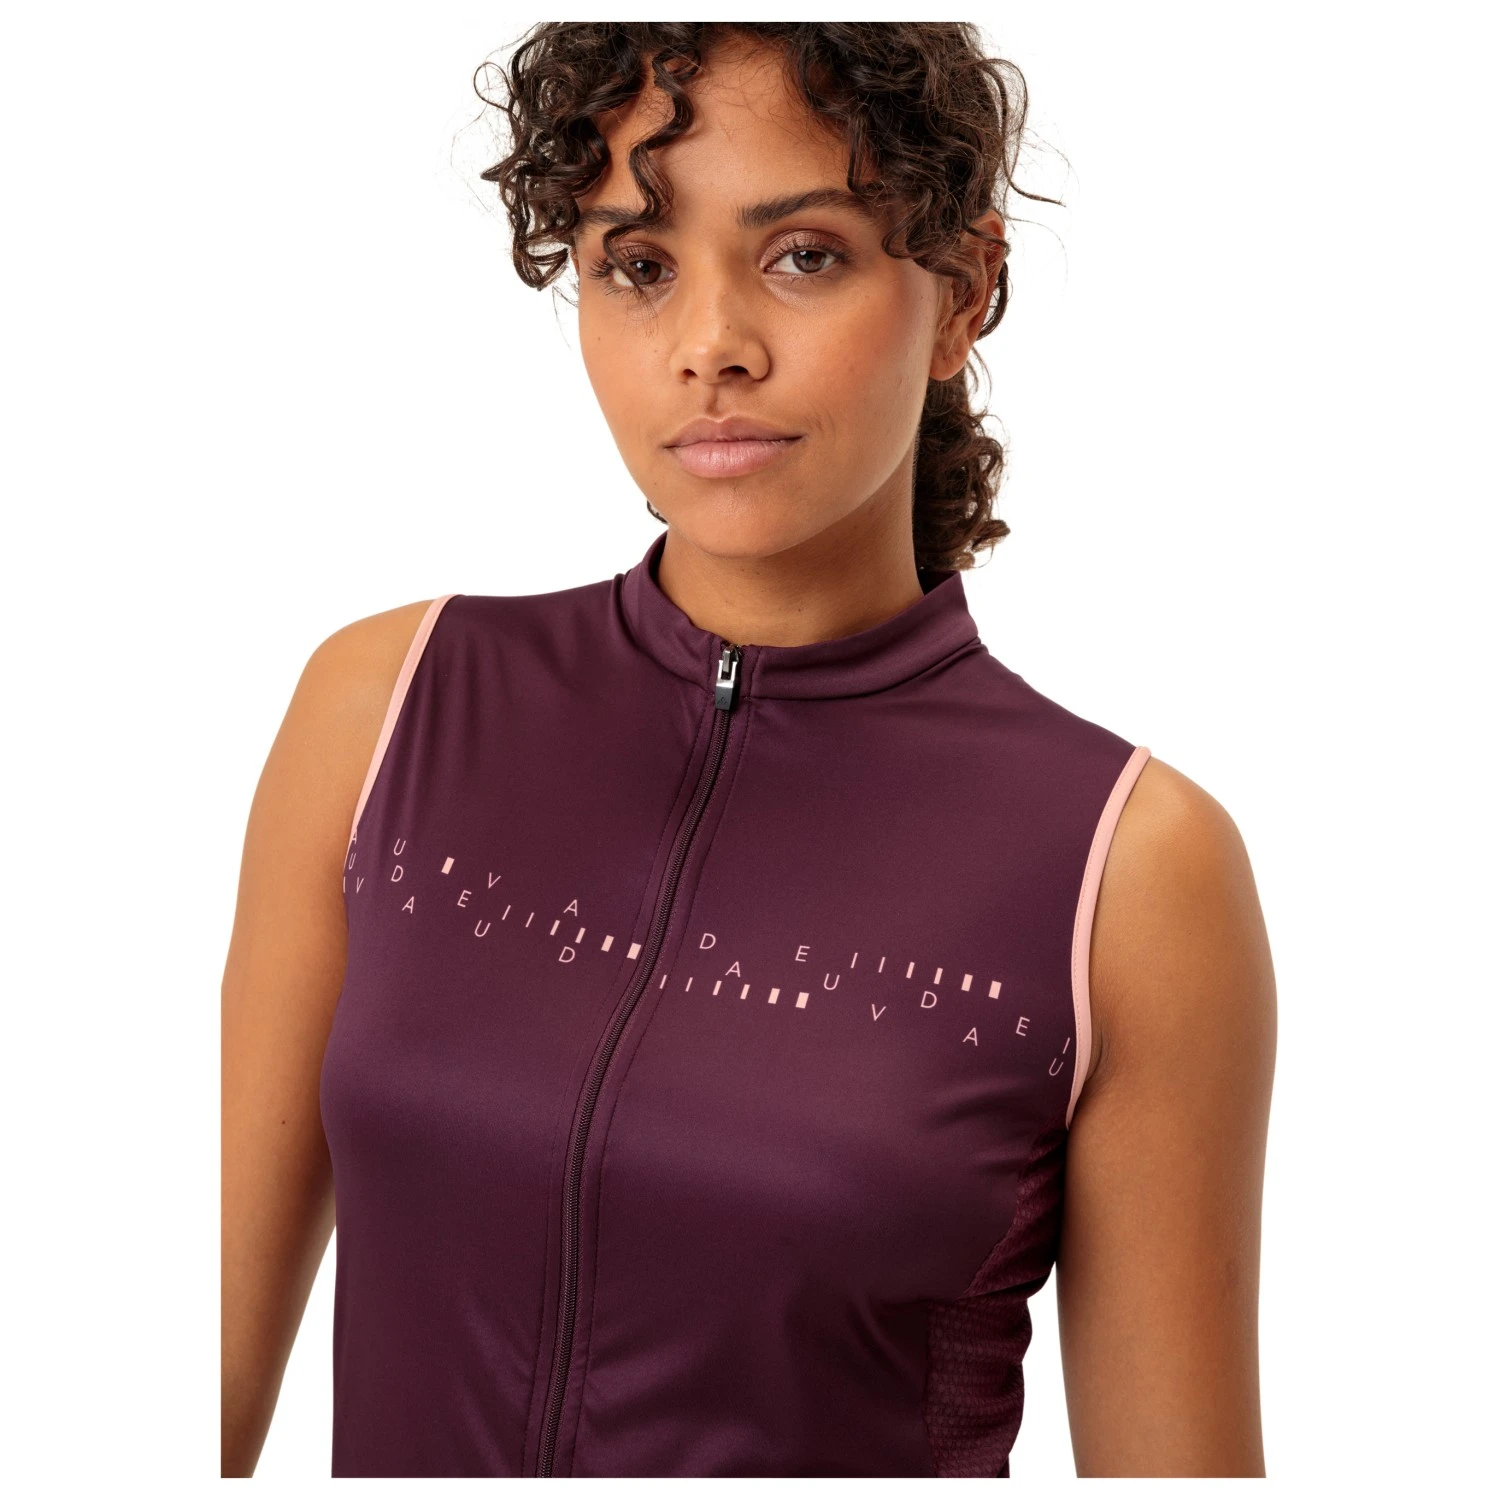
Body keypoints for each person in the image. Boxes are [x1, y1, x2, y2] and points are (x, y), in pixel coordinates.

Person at [220, 22, 1276, 1479]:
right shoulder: (388, 709)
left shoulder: (1128, 869)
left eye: (803, 255)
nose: (709, 344)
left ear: (963, 293)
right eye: (638, 265)